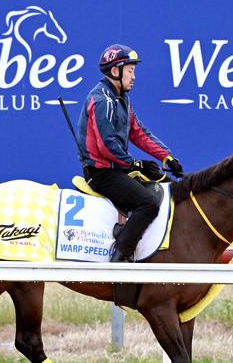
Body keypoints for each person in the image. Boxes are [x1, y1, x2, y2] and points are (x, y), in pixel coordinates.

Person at [77, 44, 183, 262]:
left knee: (170, 186)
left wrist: (166, 157)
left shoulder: (121, 98)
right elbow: (107, 146)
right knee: (149, 203)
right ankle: (120, 256)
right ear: (115, 71)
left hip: (119, 169)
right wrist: (135, 164)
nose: (134, 76)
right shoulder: (101, 100)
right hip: (101, 174)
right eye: (131, 70)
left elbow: (139, 133)